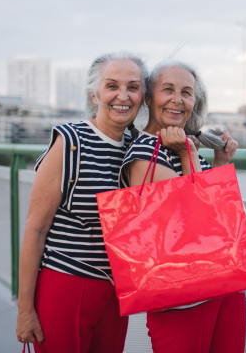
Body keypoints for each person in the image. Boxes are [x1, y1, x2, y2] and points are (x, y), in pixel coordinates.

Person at [15, 52, 148, 353]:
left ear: (143, 96)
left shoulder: (140, 148)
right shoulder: (71, 141)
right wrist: (25, 310)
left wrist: (215, 155)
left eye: (133, 87)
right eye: (112, 85)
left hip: (117, 294)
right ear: (95, 93)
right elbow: (36, 230)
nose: (122, 96)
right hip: (66, 284)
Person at [119, 60, 243, 353]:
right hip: (179, 299)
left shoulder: (181, 146)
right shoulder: (143, 155)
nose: (177, 100)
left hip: (223, 285)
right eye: (168, 90)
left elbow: (216, 209)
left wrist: (220, 161)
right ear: (149, 97)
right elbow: (199, 220)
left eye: (186, 92)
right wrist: (188, 155)